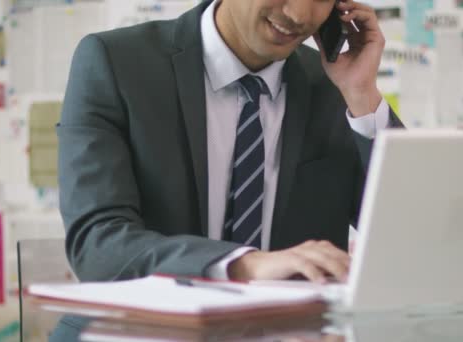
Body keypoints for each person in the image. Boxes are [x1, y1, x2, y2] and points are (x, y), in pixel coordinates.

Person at [57, 0, 403, 284]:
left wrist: (362, 95)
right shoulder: (115, 62)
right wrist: (241, 264)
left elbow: (415, 232)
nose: (299, 15)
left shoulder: (336, 84)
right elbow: (96, 244)